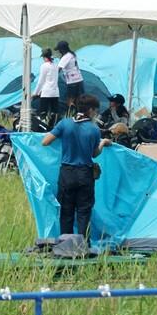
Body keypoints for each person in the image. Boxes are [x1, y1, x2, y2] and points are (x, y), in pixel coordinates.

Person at [42, 94, 111, 238]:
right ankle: (83, 246)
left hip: (66, 173)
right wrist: (103, 143)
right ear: (91, 110)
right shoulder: (94, 129)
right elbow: (94, 154)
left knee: (66, 211)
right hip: (85, 174)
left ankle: (65, 244)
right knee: (83, 212)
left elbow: (45, 142)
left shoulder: (64, 124)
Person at [32, 48, 60, 125]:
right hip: (55, 92)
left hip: (46, 92)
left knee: (43, 112)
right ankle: (52, 127)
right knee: (54, 113)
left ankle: (43, 127)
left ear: (44, 57)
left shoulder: (44, 66)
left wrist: (35, 93)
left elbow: (41, 81)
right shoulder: (55, 65)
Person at [56, 41, 83, 112]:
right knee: (79, 98)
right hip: (79, 79)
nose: (59, 52)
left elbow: (58, 69)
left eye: (59, 50)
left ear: (62, 49)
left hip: (72, 81)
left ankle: (71, 113)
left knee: (70, 100)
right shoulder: (72, 55)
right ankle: (79, 112)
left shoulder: (65, 57)